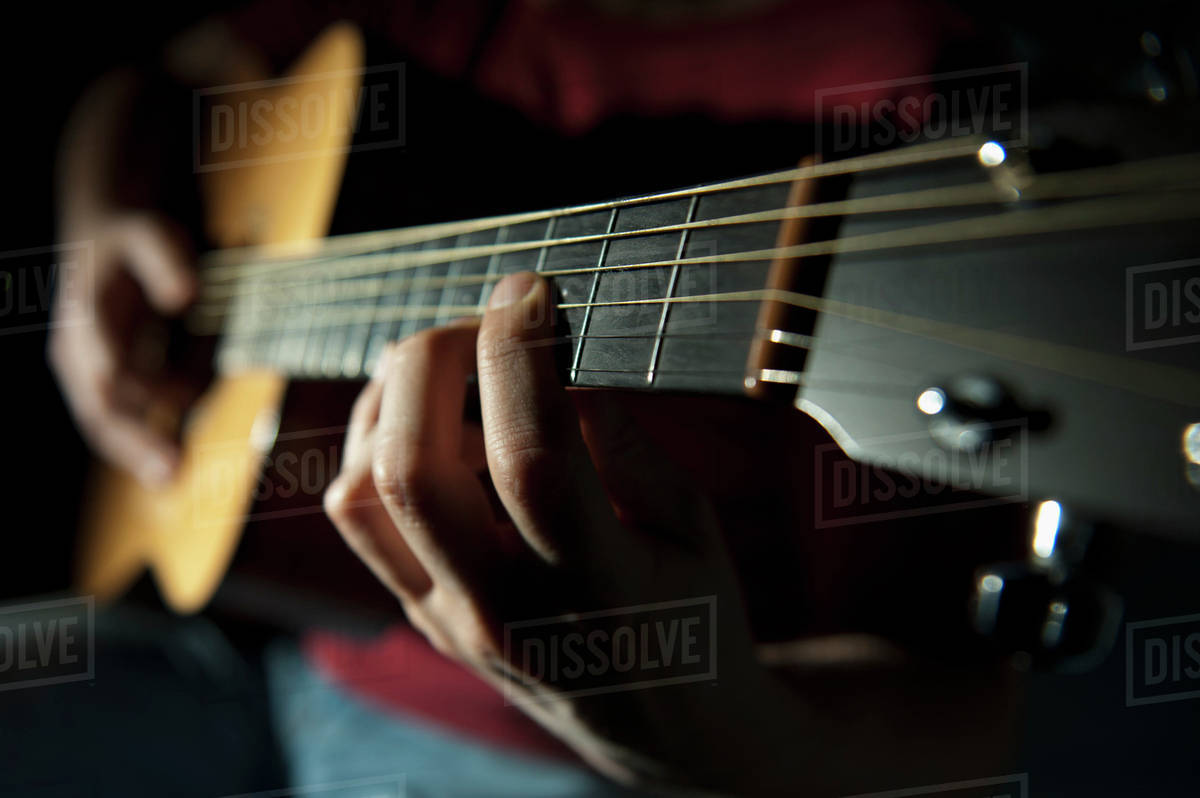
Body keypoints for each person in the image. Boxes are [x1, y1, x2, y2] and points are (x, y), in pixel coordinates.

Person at [49, 1, 1025, 794]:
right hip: (266, 639)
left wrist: (715, 737)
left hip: (525, 759)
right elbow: (168, 73)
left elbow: (966, 720)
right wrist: (96, 225)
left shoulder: (900, 78)